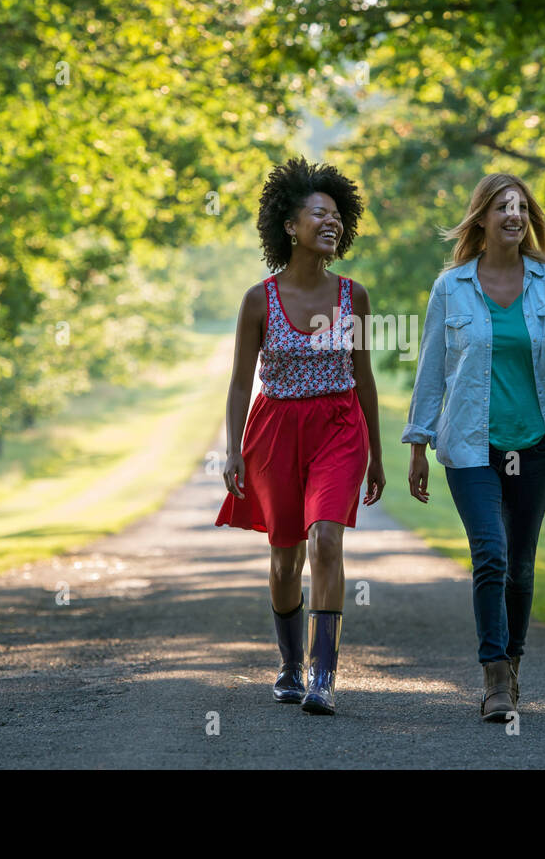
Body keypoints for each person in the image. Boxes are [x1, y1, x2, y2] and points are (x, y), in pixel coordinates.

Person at [402, 172, 545, 722]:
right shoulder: (452, 287)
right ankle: (494, 673)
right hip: (472, 445)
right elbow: (433, 370)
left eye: (521, 207)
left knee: (520, 565)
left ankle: (513, 662)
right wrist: (419, 442)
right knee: (490, 554)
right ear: (482, 219)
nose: (514, 215)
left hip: (534, 443)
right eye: (502, 207)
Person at [216, 156, 385, 715]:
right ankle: (289, 665)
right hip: (274, 430)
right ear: (291, 226)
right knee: (285, 558)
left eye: (338, 215)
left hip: (338, 427)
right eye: (320, 214)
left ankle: (322, 676)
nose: (331, 223)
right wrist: (232, 448)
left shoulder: (353, 297)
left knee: (327, 540)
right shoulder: (257, 300)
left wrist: (378, 456)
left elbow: (364, 378)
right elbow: (242, 382)